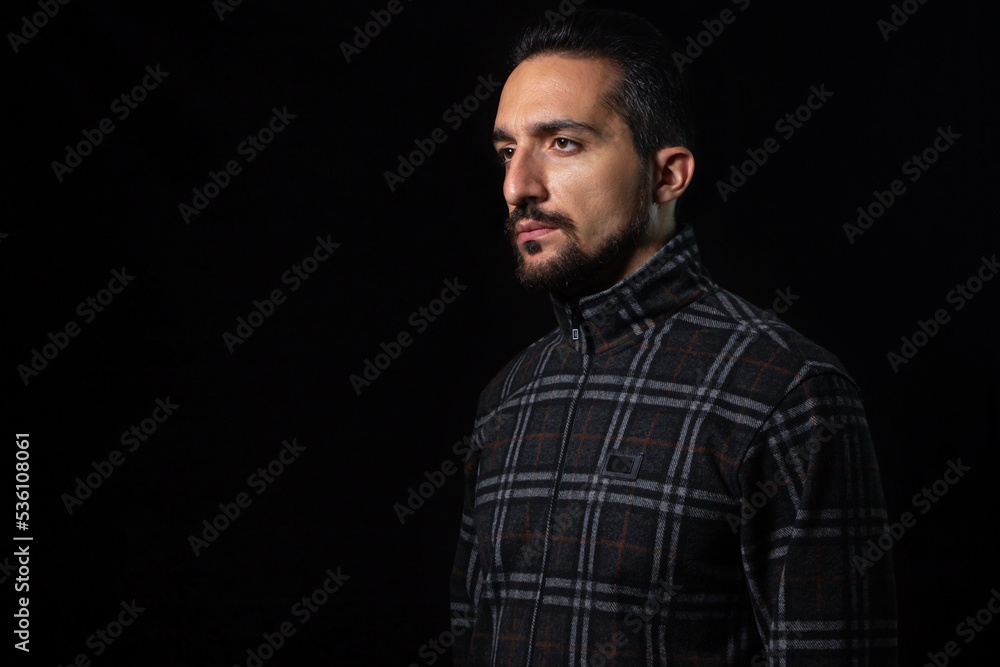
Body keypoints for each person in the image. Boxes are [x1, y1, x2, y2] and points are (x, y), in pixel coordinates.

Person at [450, 8, 897, 665]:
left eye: (563, 143)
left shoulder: (787, 392)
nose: (517, 186)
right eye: (508, 151)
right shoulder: (507, 397)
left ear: (668, 175)